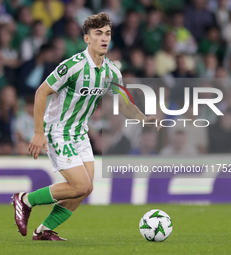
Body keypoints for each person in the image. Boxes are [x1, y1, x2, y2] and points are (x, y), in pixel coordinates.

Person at [12, 13, 161, 241]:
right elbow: (41, 92)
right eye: (98, 33)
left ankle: (43, 231)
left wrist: (143, 118)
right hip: (58, 131)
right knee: (79, 184)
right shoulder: (72, 66)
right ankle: (24, 200)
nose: (104, 38)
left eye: (108, 34)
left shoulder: (112, 72)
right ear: (86, 38)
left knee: (86, 189)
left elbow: (123, 104)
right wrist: (39, 132)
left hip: (80, 133)